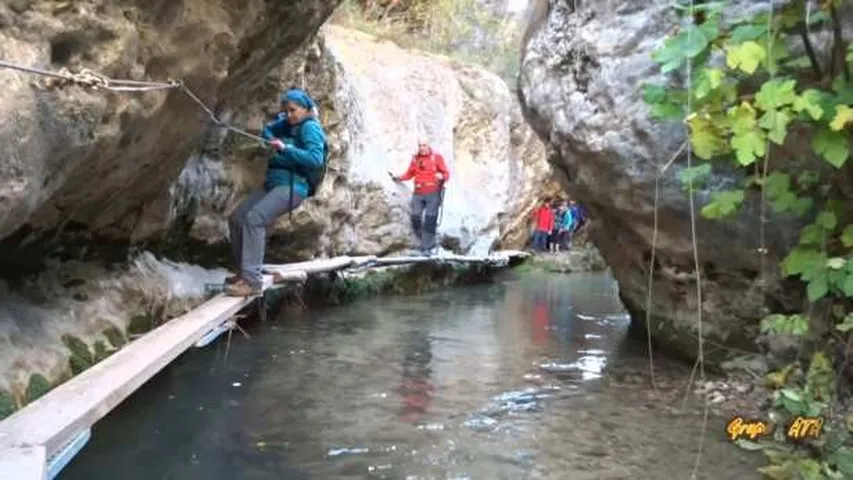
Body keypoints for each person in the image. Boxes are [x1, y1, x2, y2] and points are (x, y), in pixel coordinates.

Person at [225, 88, 327, 296]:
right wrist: (276, 133)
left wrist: (285, 148)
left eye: (293, 110)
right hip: (273, 184)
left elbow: (316, 159)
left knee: (255, 218)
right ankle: (245, 272)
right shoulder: (289, 123)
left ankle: (252, 282)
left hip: (293, 186)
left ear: (307, 109)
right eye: (286, 110)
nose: (289, 115)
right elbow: (268, 131)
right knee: (238, 218)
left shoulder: (310, 128)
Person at [389, 139, 450, 256]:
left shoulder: (437, 157)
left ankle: (426, 247)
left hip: (433, 192)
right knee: (415, 216)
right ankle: (427, 241)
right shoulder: (415, 159)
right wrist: (399, 177)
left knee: (430, 219)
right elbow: (410, 173)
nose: (422, 147)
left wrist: (441, 175)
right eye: (420, 145)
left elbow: (447, 174)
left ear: (428, 145)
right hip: (418, 192)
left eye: (424, 145)